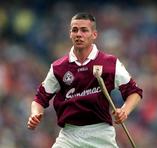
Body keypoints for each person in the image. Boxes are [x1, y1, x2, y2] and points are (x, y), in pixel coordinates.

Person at [27, 12, 143, 148]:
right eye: (75, 30)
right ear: (70, 34)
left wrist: (124, 111)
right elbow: (40, 98)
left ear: (94, 34)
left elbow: (134, 92)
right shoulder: (58, 67)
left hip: (101, 134)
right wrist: (35, 114)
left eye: (84, 30)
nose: (78, 34)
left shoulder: (110, 63)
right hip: (70, 135)